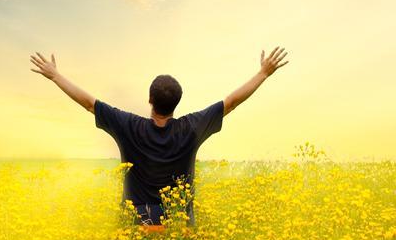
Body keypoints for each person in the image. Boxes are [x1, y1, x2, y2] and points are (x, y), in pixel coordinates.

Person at [28, 47, 289, 229]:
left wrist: (55, 75)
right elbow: (230, 102)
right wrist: (263, 73)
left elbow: (88, 103)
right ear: (177, 103)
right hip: (178, 228)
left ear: (150, 100)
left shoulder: (128, 125)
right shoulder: (192, 128)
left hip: (136, 225)